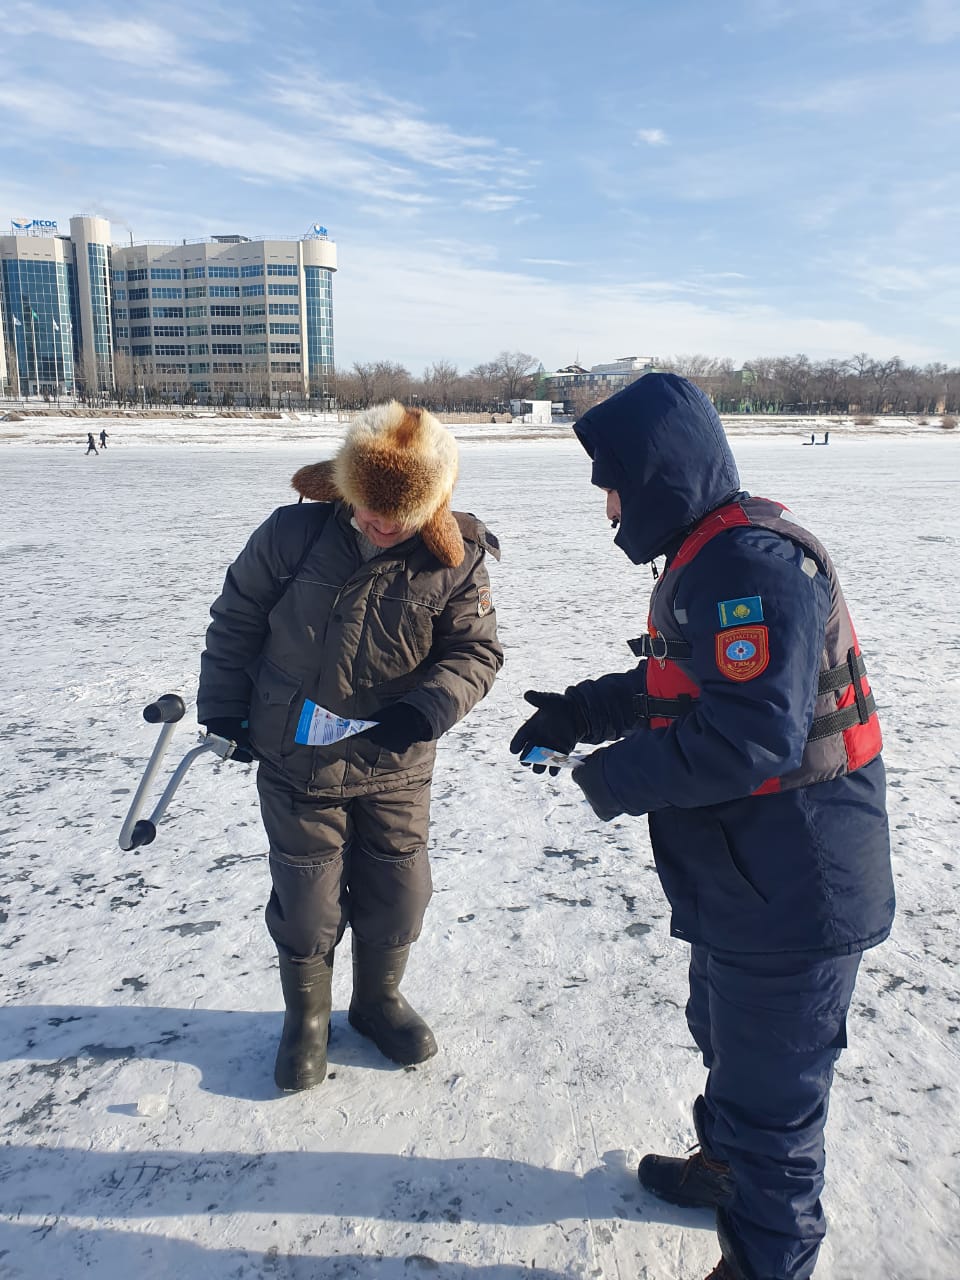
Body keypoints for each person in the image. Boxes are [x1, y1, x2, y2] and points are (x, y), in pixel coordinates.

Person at [509, 373, 893, 1280]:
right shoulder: (707, 557)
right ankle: (726, 1170)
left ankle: (765, 1260)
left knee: (774, 1102)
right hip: (744, 879)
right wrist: (582, 710)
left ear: (655, 476)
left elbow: (748, 740)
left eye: (612, 483)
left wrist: (607, 774)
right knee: (725, 1036)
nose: (606, 504)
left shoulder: (746, 566)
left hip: (796, 889)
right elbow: (688, 683)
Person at [197, 402, 503, 1092]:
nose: (382, 524)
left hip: (396, 767)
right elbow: (235, 621)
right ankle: (307, 1019)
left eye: (401, 513)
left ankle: (376, 1003)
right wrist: (223, 710)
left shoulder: (455, 559)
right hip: (294, 758)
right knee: (308, 904)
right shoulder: (292, 536)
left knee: (401, 896)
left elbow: (476, 653)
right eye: (370, 507)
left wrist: (427, 709)